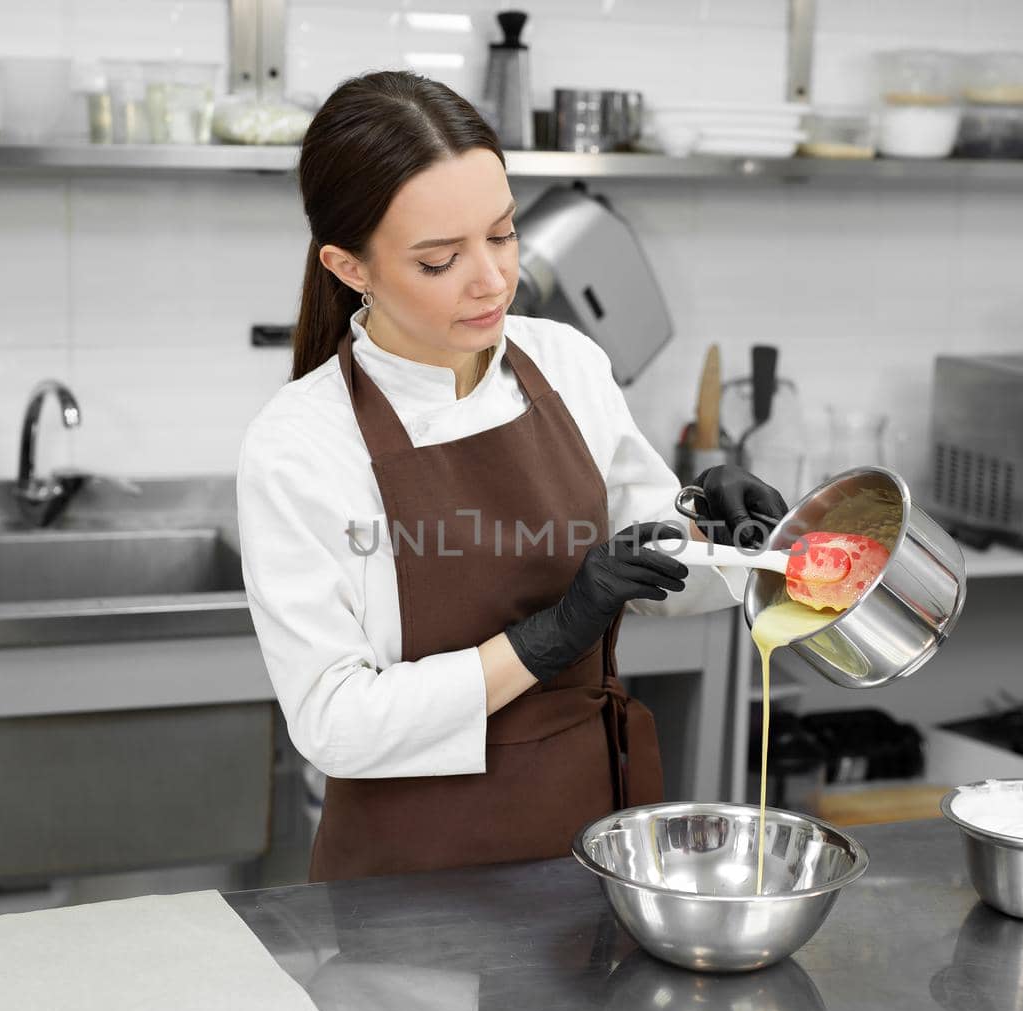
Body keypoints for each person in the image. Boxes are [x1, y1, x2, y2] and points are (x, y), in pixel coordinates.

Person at [237, 70, 787, 882]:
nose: (493, 280)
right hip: (411, 888)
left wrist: (727, 534)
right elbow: (334, 722)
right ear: (349, 267)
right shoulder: (301, 444)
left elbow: (662, 566)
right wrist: (548, 637)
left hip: (597, 848)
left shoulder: (565, 362)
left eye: (502, 234)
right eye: (439, 259)